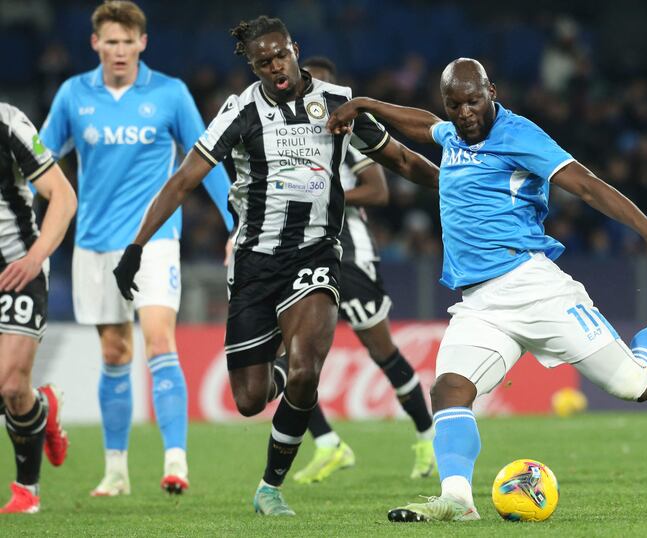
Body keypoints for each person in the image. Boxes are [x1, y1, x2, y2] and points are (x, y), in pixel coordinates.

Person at [327, 58, 647, 522]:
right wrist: (364, 104)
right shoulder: (453, 135)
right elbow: (426, 128)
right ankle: (458, 500)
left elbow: (586, 186)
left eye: (473, 101)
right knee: (449, 390)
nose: (464, 112)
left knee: (637, 385)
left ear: (492, 92)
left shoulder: (518, 135)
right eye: (455, 104)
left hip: (534, 287)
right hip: (479, 303)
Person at [112, 16, 438, 516]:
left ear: (294, 49)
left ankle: (270, 487)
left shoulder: (337, 103)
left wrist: (459, 184)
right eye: (263, 63)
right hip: (255, 261)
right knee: (250, 398)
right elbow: (183, 180)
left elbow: (401, 161)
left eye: (280, 56)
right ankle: (283, 375)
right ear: (253, 65)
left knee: (309, 369)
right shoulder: (240, 111)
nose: (275, 68)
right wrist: (136, 246)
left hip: (317, 254)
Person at [40, 1, 234, 496]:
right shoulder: (72, 95)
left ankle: (176, 462)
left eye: (129, 42)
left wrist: (237, 222)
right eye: (112, 42)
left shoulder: (169, 94)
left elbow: (204, 161)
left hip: (153, 242)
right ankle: (116, 470)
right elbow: (39, 159)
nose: (120, 50)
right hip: (93, 244)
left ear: (143, 43)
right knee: (114, 350)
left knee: (159, 338)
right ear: (96, 44)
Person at [268, 56, 435, 485]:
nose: (314, 95)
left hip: (348, 251)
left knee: (381, 351)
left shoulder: (348, 131)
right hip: (299, 252)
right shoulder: (282, 134)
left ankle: (428, 434)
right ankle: (327, 445)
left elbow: (379, 191)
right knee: (292, 358)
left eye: (323, 86)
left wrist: (324, 191)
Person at [0, 102, 77, 513]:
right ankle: (43, 404)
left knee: (10, 386)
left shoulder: (8, 122)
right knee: (11, 392)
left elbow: (62, 197)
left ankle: (26, 491)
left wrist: (34, 258)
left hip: (17, 268)